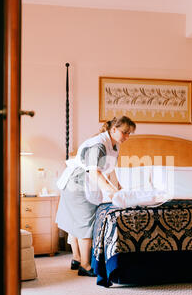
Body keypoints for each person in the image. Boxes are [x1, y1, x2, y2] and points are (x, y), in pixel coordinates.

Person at [56, 116, 136, 277]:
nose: (127, 137)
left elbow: (110, 169)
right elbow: (94, 172)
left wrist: (118, 186)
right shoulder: (98, 145)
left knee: (77, 220)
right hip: (77, 183)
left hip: (81, 182)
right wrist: (110, 191)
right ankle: (85, 266)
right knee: (86, 222)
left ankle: (77, 258)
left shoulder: (113, 145)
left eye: (130, 134)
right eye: (125, 133)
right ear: (113, 129)